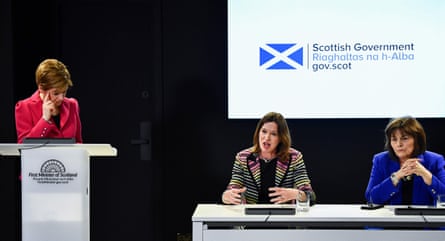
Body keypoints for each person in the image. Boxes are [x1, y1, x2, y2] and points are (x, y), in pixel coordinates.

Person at [222, 112, 316, 205]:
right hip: (251, 217)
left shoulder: (294, 157)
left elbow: (311, 196)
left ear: (281, 138)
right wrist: (226, 196)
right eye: (264, 131)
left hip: (283, 216)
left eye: (273, 134)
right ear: (258, 132)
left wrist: (297, 194)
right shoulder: (242, 157)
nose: (266, 138)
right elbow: (232, 188)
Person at [365, 116, 445, 206]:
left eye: (404, 138)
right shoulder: (381, 160)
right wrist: (396, 176)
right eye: (394, 139)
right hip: (391, 218)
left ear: (417, 140)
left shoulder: (434, 161)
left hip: (423, 218)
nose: (399, 144)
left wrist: (426, 175)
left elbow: (444, 197)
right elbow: (371, 198)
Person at [15, 58, 83, 143]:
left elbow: (79, 144)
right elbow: (23, 146)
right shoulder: (24, 107)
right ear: (41, 88)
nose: (61, 98)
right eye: (56, 93)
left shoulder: (72, 105)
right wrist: (44, 120)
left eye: (64, 92)